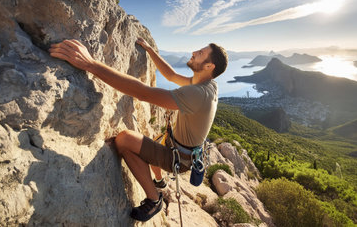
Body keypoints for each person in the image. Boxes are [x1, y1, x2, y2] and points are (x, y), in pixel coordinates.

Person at [49, 37, 228, 222]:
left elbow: (142, 93)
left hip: (178, 158)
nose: (194, 52)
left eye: (200, 53)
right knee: (151, 138)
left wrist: (90, 64)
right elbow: (172, 76)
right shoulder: (207, 83)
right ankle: (159, 180)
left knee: (125, 139)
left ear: (209, 66)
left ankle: (154, 199)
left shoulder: (198, 94)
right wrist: (150, 50)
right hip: (178, 147)